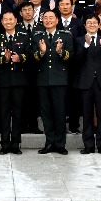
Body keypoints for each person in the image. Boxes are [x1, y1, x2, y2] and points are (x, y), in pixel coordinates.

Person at [31, 9, 73, 155]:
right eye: (46, 18)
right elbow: (33, 57)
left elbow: (70, 56)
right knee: (46, 113)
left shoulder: (65, 35)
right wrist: (41, 52)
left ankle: (60, 144)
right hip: (43, 79)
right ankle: (49, 142)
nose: (48, 20)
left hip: (60, 79)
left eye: (51, 18)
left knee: (60, 112)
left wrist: (61, 51)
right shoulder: (37, 36)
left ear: (57, 20)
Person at [73, 14, 101, 155]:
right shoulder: (79, 41)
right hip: (85, 83)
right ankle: (88, 145)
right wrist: (86, 45)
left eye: (94, 22)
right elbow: (76, 61)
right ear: (84, 25)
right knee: (87, 115)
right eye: (89, 22)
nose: (91, 25)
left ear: (98, 24)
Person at [0, 10, 30, 155]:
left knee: (18, 112)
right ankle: (4, 143)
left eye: (11, 19)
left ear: (16, 20)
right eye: (5, 19)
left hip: (19, 80)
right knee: (4, 113)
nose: (8, 22)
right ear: (1, 22)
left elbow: (29, 54)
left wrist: (20, 58)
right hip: (3, 81)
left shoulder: (24, 37)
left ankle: (16, 143)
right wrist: (5, 60)